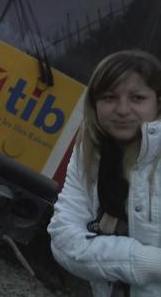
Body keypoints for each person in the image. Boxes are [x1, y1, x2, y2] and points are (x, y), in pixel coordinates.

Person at [48, 50, 161, 297]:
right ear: (94, 103)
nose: (122, 109)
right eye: (109, 97)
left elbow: (79, 245)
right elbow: (63, 239)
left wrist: (99, 251)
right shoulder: (90, 152)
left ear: (158, 102)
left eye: (137, 98)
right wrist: (145, 262)